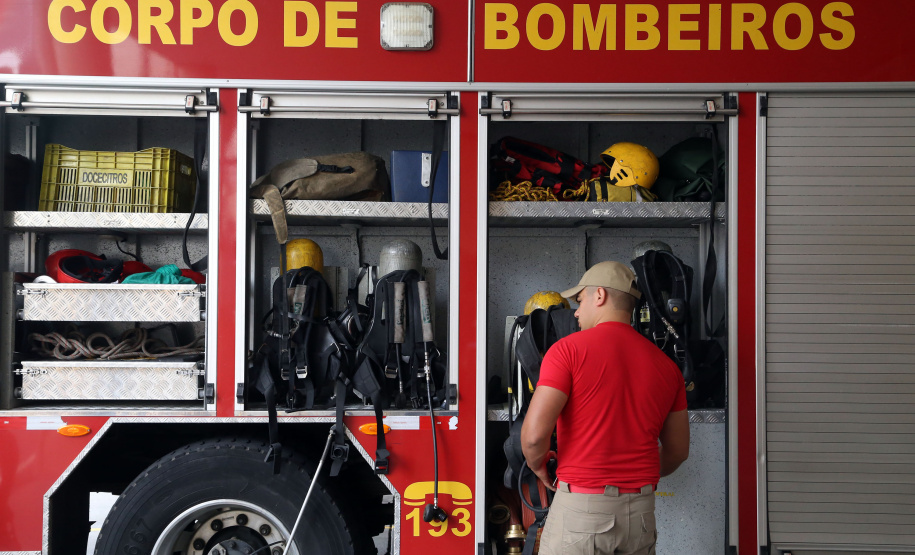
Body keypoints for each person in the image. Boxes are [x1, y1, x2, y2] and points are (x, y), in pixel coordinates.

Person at [520, 260, 689, 555]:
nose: (576, 311)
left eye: (580, 300)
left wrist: (539, 467)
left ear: (600, 295)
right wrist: (630, 477)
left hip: (582, 514)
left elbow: (534, 437)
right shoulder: (667, 366)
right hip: (640, 515)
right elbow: (677, 451)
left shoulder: (567, 351)